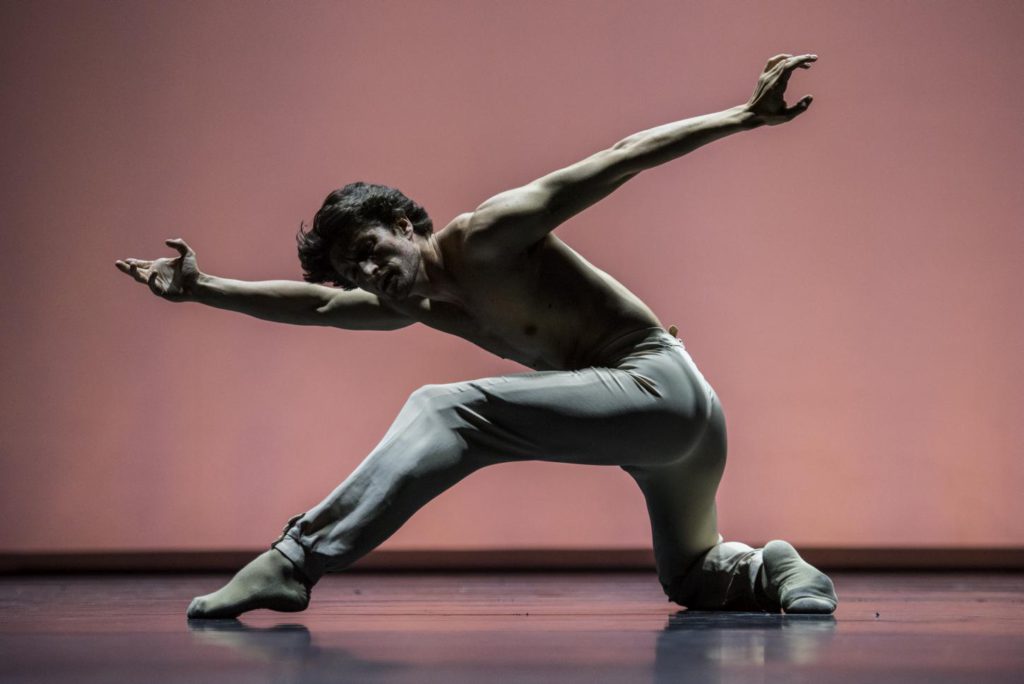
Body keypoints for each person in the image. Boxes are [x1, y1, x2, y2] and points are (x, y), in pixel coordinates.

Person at [116, 53, 837, 619]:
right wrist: (203, 288)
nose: (368, 274)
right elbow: (320, 306)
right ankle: (775, 569)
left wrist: (744, 116)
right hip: (676, 430)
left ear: (405, 226)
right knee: (691, 577)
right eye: (353, 271)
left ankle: (292, 561)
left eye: (370, 250)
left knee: (447, 409)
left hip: (657, 383)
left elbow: (624, 156)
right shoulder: (417, 303)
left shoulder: (488, 236)